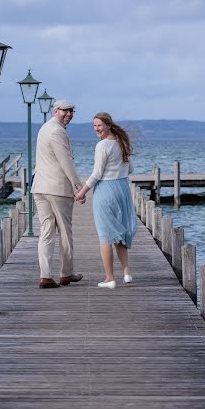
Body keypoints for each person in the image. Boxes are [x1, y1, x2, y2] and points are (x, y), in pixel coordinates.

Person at [75, 112, 137, 289]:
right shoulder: (122, 143)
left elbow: (97, 174)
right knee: (120, 233)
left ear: (108, 125)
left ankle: (109, 278)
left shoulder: (103, 145)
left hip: (106, 189)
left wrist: (82, 192)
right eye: (94, 126)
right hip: (122, 189)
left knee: (105, 235)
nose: (96, 129)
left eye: (99, 125)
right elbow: (130, 168)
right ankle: (126, 273)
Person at [32, 100, 85, 289]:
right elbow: (66, 163)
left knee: (46, 232)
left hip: (40, 187)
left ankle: (45, 276)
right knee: (65, 231)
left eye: (72, 111)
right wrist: (78, 188)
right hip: (57, 188)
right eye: (65, 111)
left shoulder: (44, 128)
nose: (69, 114)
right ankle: (66, 273)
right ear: (55, 111)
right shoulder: (57, 131)